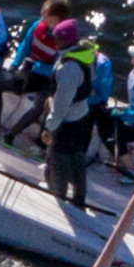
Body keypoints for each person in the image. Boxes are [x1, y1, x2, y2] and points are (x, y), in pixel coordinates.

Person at [0, 0, 74, 140]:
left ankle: (12, 134)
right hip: (30, 72)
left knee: (39, 108)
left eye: (46, 14)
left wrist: (34, 66)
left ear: (56, 19)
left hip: (48, 80)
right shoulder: (38, 25)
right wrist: (15, 64)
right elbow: (26, 44)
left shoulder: (63, 39)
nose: (42, 16)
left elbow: (57, 67)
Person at [44, 19, 100, 206]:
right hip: (82, 116)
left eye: (57, 39)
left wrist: (49, 126)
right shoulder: (85, 55)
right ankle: (79, 199)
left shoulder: (69, 68)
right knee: (77, 157)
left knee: (58, 160)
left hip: (66, 123)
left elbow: (61, 105)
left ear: (62, 41)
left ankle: (58, 200)